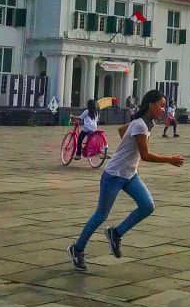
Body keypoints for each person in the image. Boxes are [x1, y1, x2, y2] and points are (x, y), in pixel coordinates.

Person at [69, 90, 183, 271]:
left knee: (147, 206)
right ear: (150, 104)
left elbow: (122, 130)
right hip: (114, 175)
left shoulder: (145, 123)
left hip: (129, 174)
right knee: (101, 215)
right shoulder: (140, 125)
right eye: (161, 105)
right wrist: (169, 159)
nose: (163, 109)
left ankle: (116, 233)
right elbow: (145, 155)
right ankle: (78, 248)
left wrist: (128, 150)